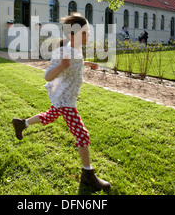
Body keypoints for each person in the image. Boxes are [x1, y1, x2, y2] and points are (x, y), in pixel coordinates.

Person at [12, 13, 111, 191]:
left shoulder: (76, 50)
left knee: (49, 117)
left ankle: (22, 124)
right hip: (65, 100)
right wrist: (60, 66)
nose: (88, 35)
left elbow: (76, 62)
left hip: (63, 97)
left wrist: (87, 63)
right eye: (84, 32)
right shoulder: (63, 52)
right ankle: (88, 175)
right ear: (72, 35)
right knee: (82, 135)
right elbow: (48, 75)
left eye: (88, 32)